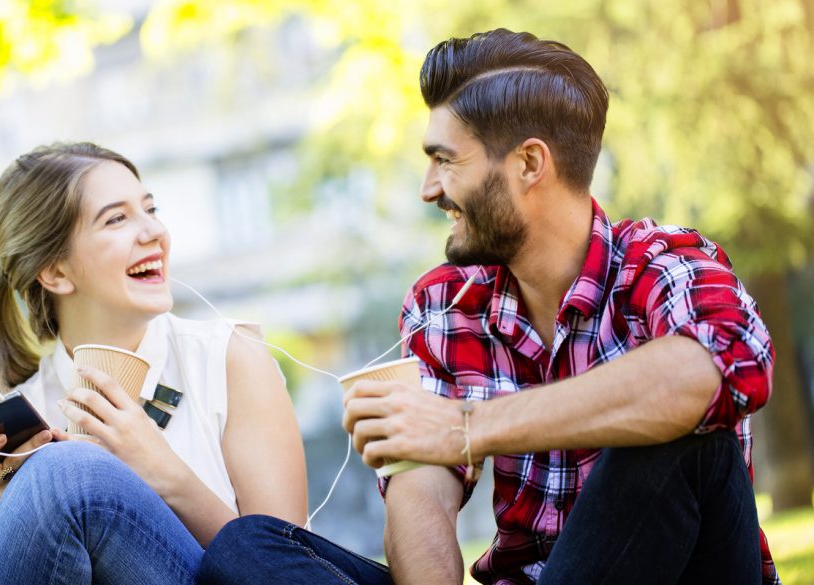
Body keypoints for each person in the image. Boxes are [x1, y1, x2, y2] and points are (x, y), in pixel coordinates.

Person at [197, 29, 779, 585]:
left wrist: (466, 429)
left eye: (445, 160)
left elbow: (721, 370)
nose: (428, 188)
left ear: (529, 164)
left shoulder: (664, 262)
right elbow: (421, 490)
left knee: (689, 435)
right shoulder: (444, 304)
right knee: (247, 548)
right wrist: (432, 441)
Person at [0, 142, 307, 584]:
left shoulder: (228, 357)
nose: (154, 231)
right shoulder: (32, 417)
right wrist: (15, 517)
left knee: (66, 473)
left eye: (150, 209)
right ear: (56, 272)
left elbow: (290, 572)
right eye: (118, 219)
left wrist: (161, 472)